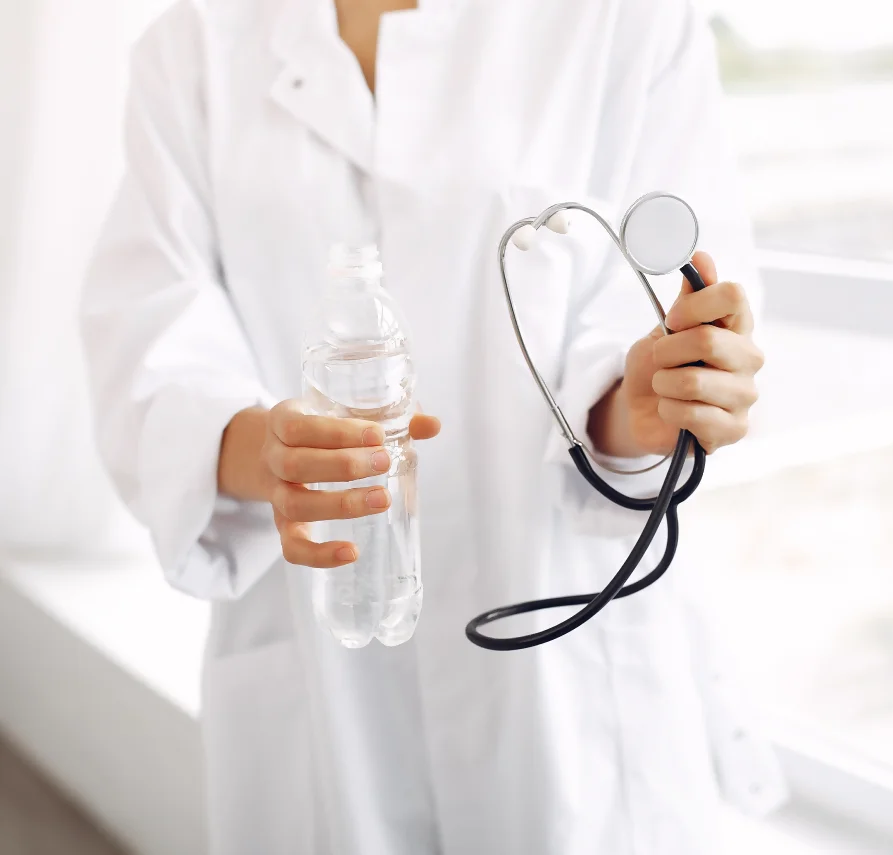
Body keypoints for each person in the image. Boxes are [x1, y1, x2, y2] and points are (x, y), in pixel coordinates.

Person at [81, 0, 783, 852]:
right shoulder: (193, 46)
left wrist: (640, 405)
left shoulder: (624, 20)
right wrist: (263, 451)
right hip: (316, 662)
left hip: (566, 682)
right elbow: (148, 341)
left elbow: (678, 314)